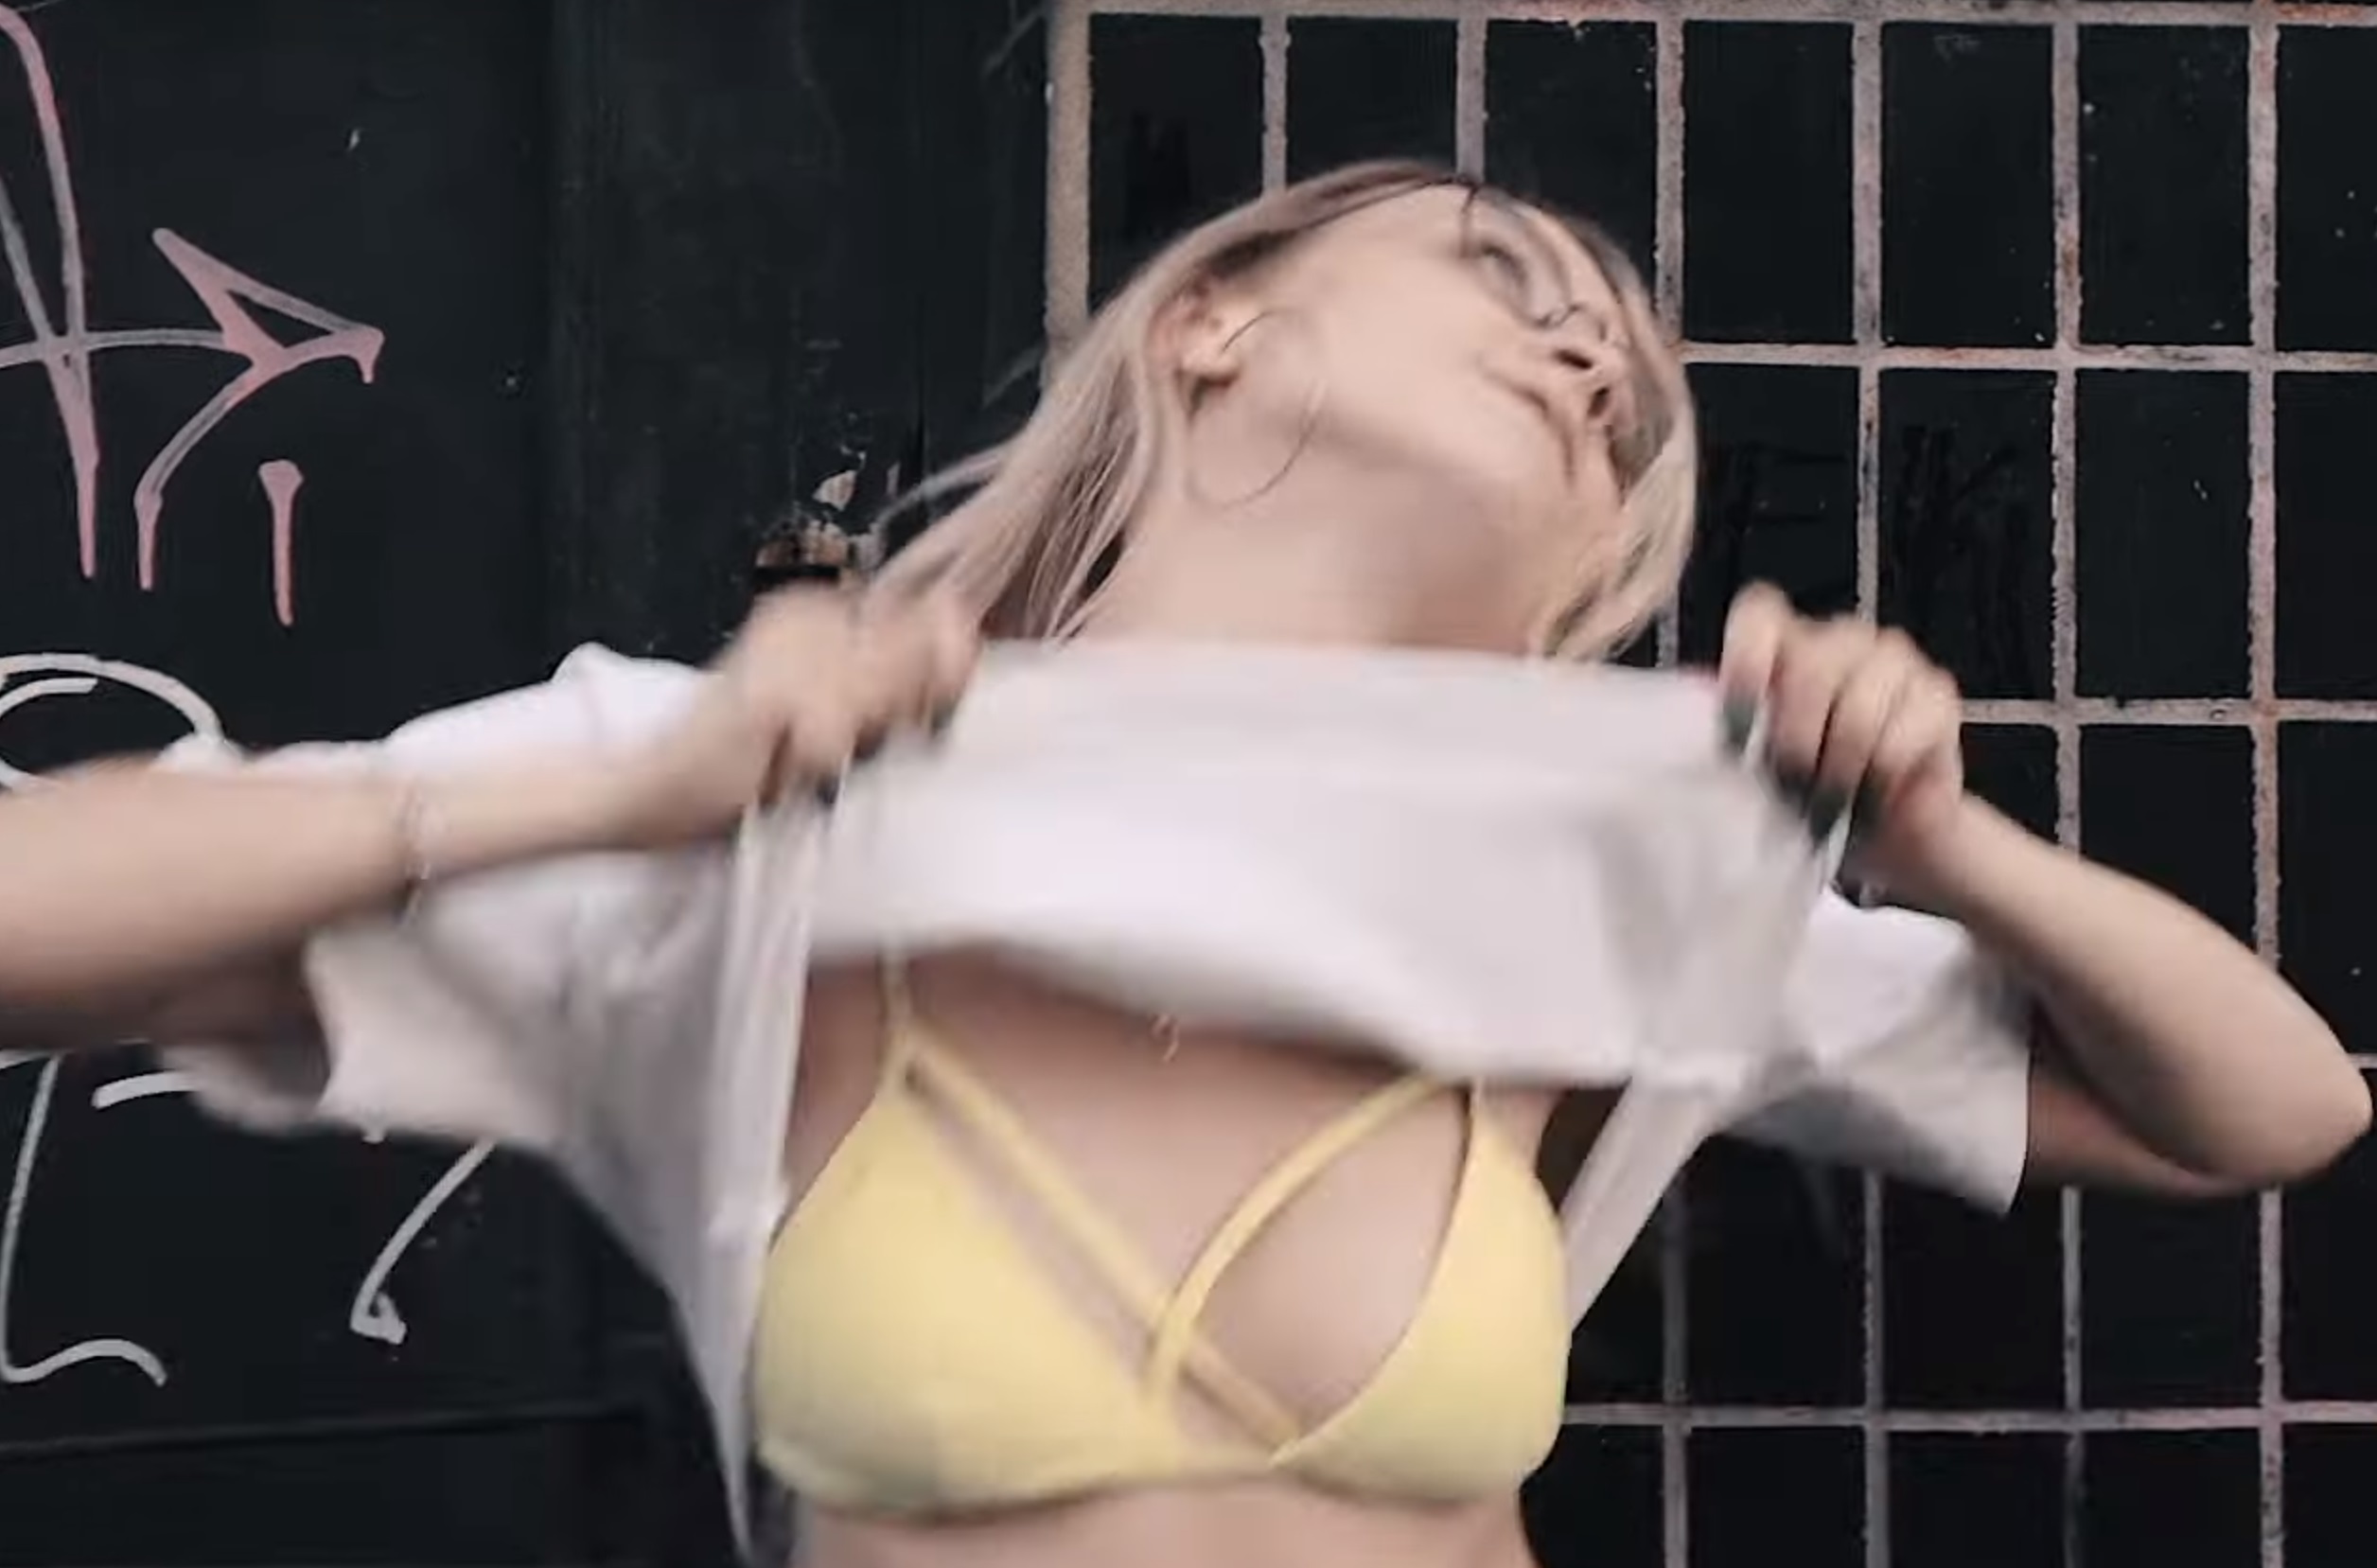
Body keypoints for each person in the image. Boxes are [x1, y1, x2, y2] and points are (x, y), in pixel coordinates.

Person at [0, 162, 2360, 1568]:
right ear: (1213, 321)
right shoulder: (759, 787)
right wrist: (606, 803)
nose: (1582, 352)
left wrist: (1951, 850)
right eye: (1500, 273)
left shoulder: (1605, 865)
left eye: (1622, 391)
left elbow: (2264, 1113)